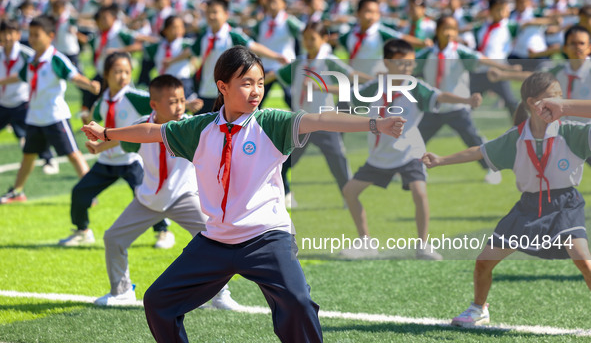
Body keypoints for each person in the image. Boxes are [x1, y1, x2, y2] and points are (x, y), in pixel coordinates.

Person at [81, 45, 406, 343]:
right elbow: (152, 131)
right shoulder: (199, 129)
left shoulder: (271, 124)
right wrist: (106, 132)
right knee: (157, 302)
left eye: (260, 83)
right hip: (216, 241)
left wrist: (375, 124)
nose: (256, 91)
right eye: (246, 83)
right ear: (222, 87)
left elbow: (321, 119)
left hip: (266, 237)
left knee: (297, 302)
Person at [422, 72, 591, 327]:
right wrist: (441, 160)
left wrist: (567, 106)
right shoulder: (516, 137)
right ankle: (478, 309)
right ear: (534, 103)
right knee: (482, 262)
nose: (560, 103)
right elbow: (479, 151)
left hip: (564, 205)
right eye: (553, 98)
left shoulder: (572, 131)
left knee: (584, 262)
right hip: (528, 207)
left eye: (561, 98)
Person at [95, 75, 238, 310]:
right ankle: (121, 291)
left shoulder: (192, 126)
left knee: (215, 237)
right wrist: (100, 144)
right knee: (113, 238)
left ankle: (219, 294)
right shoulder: (142, 126)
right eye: (173, 101)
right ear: (154, 105)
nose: (180, 106)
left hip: (184, 197)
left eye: (182, 100)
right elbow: (123, 137)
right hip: (148, 199)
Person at [340, 39, 482, 260]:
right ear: (387, 63)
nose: (407, 69)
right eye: (401, 64)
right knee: (350, 192)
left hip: (409, 152)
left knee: (420, 192)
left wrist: (466, 99)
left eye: (410, 64)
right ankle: (366, 242)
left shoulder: (415, 87)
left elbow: (440, 95)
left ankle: (423, 245)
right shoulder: (374, 87)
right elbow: (351, 95)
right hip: (380, 155)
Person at [60, 52, 173, 248]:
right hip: (107, 161)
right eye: (117, 72)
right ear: (106, 74)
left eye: (127, 72)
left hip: (131, 160)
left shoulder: (133, 96)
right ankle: (82, 231)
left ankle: (163, 231)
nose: (123, 76)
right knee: (80, 192)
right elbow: (96, 117)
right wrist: (89, 122)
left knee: (148, 195)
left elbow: (158, 101)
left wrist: (181, 104)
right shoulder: (104, 99)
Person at [0, 15, 99, 204]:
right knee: (28, 156)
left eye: (37, 35)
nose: (33, 39)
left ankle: (89, 191)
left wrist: (89, 84)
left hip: (55, 116)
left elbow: (74, 76)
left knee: (73, 154)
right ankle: (17, 192)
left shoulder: (56, 59)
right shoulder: (31, 60)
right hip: (35, 117)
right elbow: (20, 77)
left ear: (50, 36)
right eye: (31, 35)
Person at [414, 15, 519, 185]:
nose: (449, 33)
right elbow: (409, 67)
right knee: (416, 138)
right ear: (437, 31)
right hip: (433, 106)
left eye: (453, 29)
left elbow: (483, 59)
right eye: (445, 29)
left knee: (472, 138)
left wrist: (506, 68)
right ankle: (409, 167)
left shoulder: (460, 52)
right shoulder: (426, 54)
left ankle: (491, 169)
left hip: (457, 107)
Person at [271, 21, 355, 207]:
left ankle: (349, 196)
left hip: (325, 121)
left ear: (324, 39)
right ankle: (284, 194)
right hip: (300, 122)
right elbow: (276, 75)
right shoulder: (299, 62)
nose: (308, 42)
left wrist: (321, 87)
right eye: (305, 38)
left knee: (337, 161)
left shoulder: (330, 61)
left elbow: (348, 84)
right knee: (284, 161)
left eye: (312, 38)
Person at [161, 0, 288, 115]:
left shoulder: (232, 36)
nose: (211, 16)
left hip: (226, 92)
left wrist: (276, 57)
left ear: (226, 15)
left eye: (215, 12)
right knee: (202, 130)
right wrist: (171, 61)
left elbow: (254, 46)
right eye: (208, 12)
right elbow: (190, 52)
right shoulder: (205, 36)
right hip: (206, 90)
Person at [0, 20, 58, 177]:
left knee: (35, 132)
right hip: (2, 103)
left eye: (10, 33)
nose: (7, 37)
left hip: (21, 102)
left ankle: (49, 160)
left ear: (18, 35)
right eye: (3, 33)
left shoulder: (27, 55)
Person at [143, 15, 203, 113]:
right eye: (174, 27)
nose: (178, 30)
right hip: (163, 85)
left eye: (181, 27)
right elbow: (141, 47)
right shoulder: (158, 46)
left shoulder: (185, 44)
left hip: (182, 83)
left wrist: (172, 61)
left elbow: (191, 51)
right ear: (165, 30)